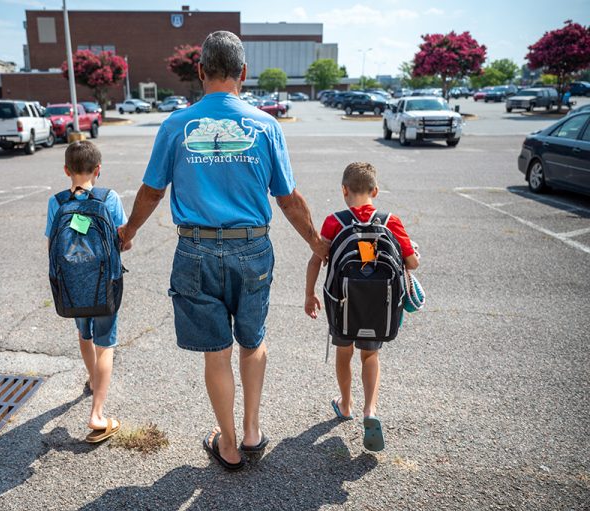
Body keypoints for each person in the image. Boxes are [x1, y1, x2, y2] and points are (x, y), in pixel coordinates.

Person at [118, 30, 329, 471]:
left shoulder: (177, 125)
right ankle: (253, 432)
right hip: (252, 249)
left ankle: (228, 445)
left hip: (195, 251)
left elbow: (152, 191)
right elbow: (287, 198)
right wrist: (315, 241)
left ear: (200, 72)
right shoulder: (265, 126)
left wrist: (129, 230)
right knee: (252, 342)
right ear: (244, 74)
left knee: (218, 352)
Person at [304, 162, 420, 451]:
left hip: (342, 303)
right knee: (370, 356)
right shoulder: (390, 221)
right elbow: (411, 262)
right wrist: (413, 252)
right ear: (375, 191)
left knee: (344, 354)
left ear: (344, 190)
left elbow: (316, 259)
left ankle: (345, 405)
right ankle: (370, 410)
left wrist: (309, 294)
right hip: (379, 306)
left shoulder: (335, 221)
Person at [45, 140, 128, 443]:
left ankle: (94, 380)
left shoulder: (56, 202)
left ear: (66, 170)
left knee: (85, 335)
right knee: (106, 344)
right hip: (105, 284)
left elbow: (50, 246)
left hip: (73, 288)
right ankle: (97, 414)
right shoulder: (109, 198)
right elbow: (123, 240)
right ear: (98, 170)